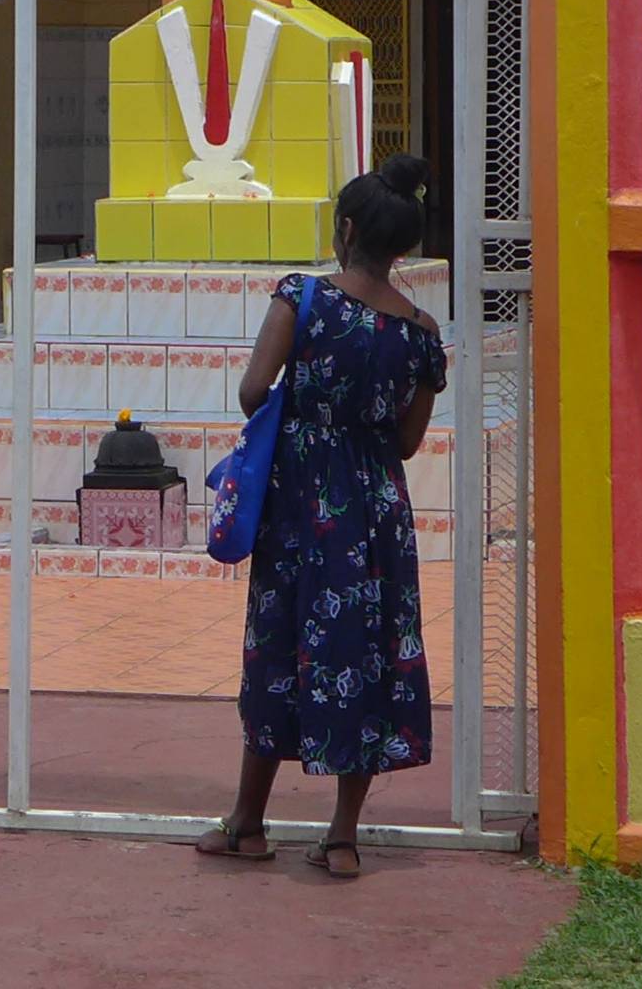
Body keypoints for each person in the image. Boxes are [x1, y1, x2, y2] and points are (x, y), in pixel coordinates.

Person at [194, 152, 447, 881]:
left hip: (302, 503)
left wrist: (305, 412)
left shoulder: (301, 297)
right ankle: (341, 838)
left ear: (347, 230)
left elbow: (253, 390)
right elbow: (407, 441)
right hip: (375, 510)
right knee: (364, 652)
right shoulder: (422, 332)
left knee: (277, 647)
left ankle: (247, 823)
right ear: (402, 245)